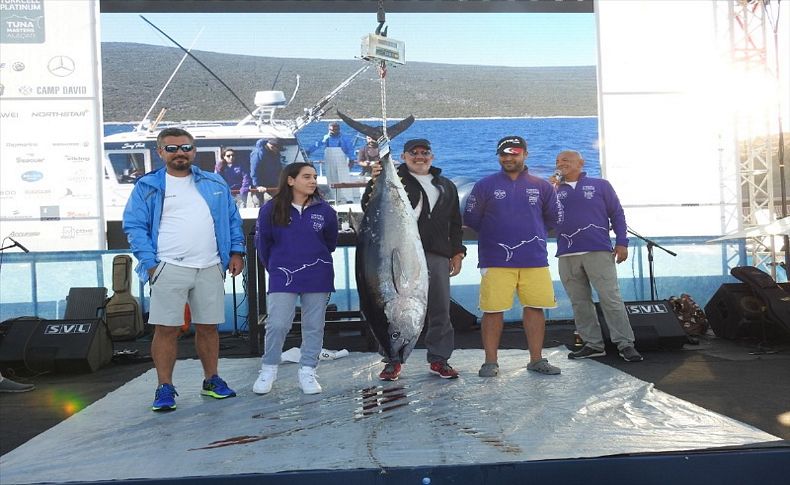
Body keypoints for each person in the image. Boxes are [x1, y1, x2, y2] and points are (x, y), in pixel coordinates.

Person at [123, 127, 245, 412]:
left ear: (194, 150)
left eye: (185, 148)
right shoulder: (147, 185)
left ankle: (211, 380)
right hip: (168, 266)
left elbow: (232, 219)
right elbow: (134, 226)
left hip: (210, 265)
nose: (180, 153)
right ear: (160, 152)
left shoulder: (215, 182)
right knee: (166, 329)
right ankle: (164, 387)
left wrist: (236, 252)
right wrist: (151, 264)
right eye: (172, 148)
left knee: (209, 327)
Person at [362, 139, 467, 381]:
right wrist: (374, 181)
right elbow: (368, 206)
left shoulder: (446, 185)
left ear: (432, 156)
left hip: (436, 255)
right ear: (404, 156)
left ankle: (439, 359)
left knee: (440, 309)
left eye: (425, 152)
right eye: (414, 153)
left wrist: (457, 251)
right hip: (400, 255)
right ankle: (391, 359)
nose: (419, 156)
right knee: (390, 305)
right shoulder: (394, 180)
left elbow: (455, 223)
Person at [463, 135, 563, 378]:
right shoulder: (484, 185)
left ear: (525, 154)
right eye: (504, 154)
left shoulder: (542, 186)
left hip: (535, 259)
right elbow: (471, 219)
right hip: (496, 259)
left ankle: (536, 360)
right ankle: (490, 362)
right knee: (493, 310)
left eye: (514, 153)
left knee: (535, 308)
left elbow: (553, 219)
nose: (509, 158)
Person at [252, 162, 338, 395]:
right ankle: (268, 369)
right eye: (306, 177)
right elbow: (263, 244)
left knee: (313, 326)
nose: (313, 181)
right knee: (278, 323)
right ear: (290, 180)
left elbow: (330, 242)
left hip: (318, 275)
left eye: (314, 177)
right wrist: (277, 266)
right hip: (283, 275)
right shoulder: (270, 209)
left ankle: (308, 371)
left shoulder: (326, 211)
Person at [551, 150, 643, 362]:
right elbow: (542, 216)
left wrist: (622, 242)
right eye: (557, 161)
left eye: (565, 160)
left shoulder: (601, 185)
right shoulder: (552, 189)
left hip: (598, 250)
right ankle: (593, 344)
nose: (560, 163)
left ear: (580, 163)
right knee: (579, 301)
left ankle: (625, 343)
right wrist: (548, 190)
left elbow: (617, 213)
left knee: (610, 298)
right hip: (567, 253)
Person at [306, 122, 358, 203]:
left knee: (344, 177)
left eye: (335, 129)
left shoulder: (344, 138)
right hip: (329, 159)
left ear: (339, 129)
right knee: (331, 177)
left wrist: (352, 160)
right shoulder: (325, 137)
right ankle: (336, 198)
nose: (333, 131)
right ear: (328, 129)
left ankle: (349, 199)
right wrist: (308, 151)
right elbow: (317, 145)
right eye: (331, 130)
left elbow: (350, 149)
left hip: (341, 159)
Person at [250, 137, 285, 207]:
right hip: (259, 184)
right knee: (259, 205)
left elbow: (279, 168)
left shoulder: (275, 154)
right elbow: (254, 170)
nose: (278, 151)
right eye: (278, 149)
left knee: (281, 201)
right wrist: (257, 185)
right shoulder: (258, 154)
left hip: (273, 183)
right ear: (272, 146)